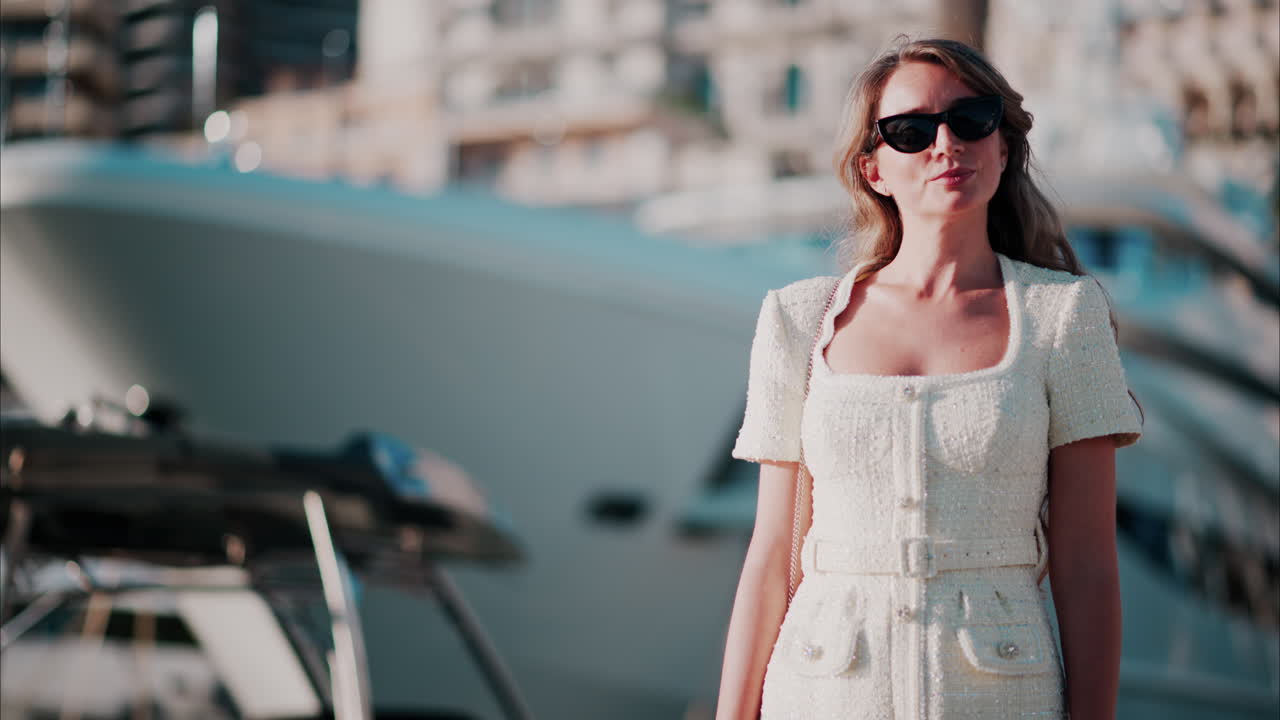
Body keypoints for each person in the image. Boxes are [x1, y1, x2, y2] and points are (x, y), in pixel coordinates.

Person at [714, 38, 1142, 720]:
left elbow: (1088, 566)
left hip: (1002, 697)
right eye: (910, 132)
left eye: (970, 119)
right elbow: (771, 559)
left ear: (1002, 146)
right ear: (873, 168)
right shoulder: (796, 319)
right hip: (819, 694)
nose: (946, 144)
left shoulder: (1064, 316)